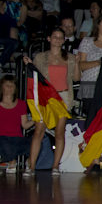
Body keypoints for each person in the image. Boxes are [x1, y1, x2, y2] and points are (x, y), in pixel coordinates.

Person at [22, 27, 80, 176]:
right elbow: (35, 77)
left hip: (63, 98)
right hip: (45, 99)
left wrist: (78, 63)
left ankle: (55, 166)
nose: (58, 40)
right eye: (55, 37)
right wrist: (29, 64)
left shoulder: (70, 58)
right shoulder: (40, 57)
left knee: (59, 133)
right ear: (49, 38)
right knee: (38, 132)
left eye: (61, 37)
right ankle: (31, 167)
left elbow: (76, 79)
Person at [0, 75, 35, 172]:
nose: (9, 88)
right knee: (5, 143)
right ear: (1, 87)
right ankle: (11, 161)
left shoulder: (22, 104)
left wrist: (36, 119)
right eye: (6, 85)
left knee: (37, 143)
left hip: (17, 139)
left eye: (12, 85)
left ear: (16, 88)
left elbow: (25, 125)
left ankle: (29, 161)